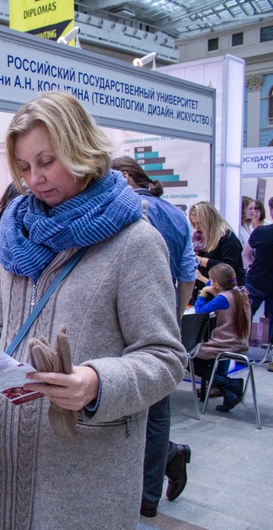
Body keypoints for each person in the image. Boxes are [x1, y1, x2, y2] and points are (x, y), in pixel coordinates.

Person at [0, 92, 185, 529]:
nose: (34, 180)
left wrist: (96, 383)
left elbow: (165, 356)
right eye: (24, 167)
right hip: (3, 467)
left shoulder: (135, 243)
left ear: (82, 149)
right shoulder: (18, 233)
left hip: (81, 479)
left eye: (47, 161)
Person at [112, 156, 196, 516]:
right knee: (156, 410)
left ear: (127, 176)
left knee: (129, 406)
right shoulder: (177, 215)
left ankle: (147, 485)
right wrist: (173, 316)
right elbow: (188, 271)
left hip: (125, 325)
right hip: (160, 322)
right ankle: (148, 497)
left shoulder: (126, 211)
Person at [192, 263, 251, 411]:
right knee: (203, 360)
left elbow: (200, 312)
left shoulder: (223, 298)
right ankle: (229, 392)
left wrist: (204, 291)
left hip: (226, 343)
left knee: (190, 359)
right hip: (239, 341)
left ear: (216, 285)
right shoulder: (240, 292)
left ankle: (231, 385)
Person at [189, 201, 246, 296]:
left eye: (199, 223)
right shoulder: (199, 239)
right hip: (205, 291)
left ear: (210, 220)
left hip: (227, 294)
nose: (197, 227)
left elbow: (228, 266)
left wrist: (200, 260)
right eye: (194, 224)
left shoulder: (227, 238)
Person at [243, 197, 273, 371]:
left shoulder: (261, 232)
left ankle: (237, 350)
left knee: (244, 315)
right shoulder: (261, 231)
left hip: (256, 282)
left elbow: (246, 254)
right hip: (260, 282)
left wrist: (249, 268)